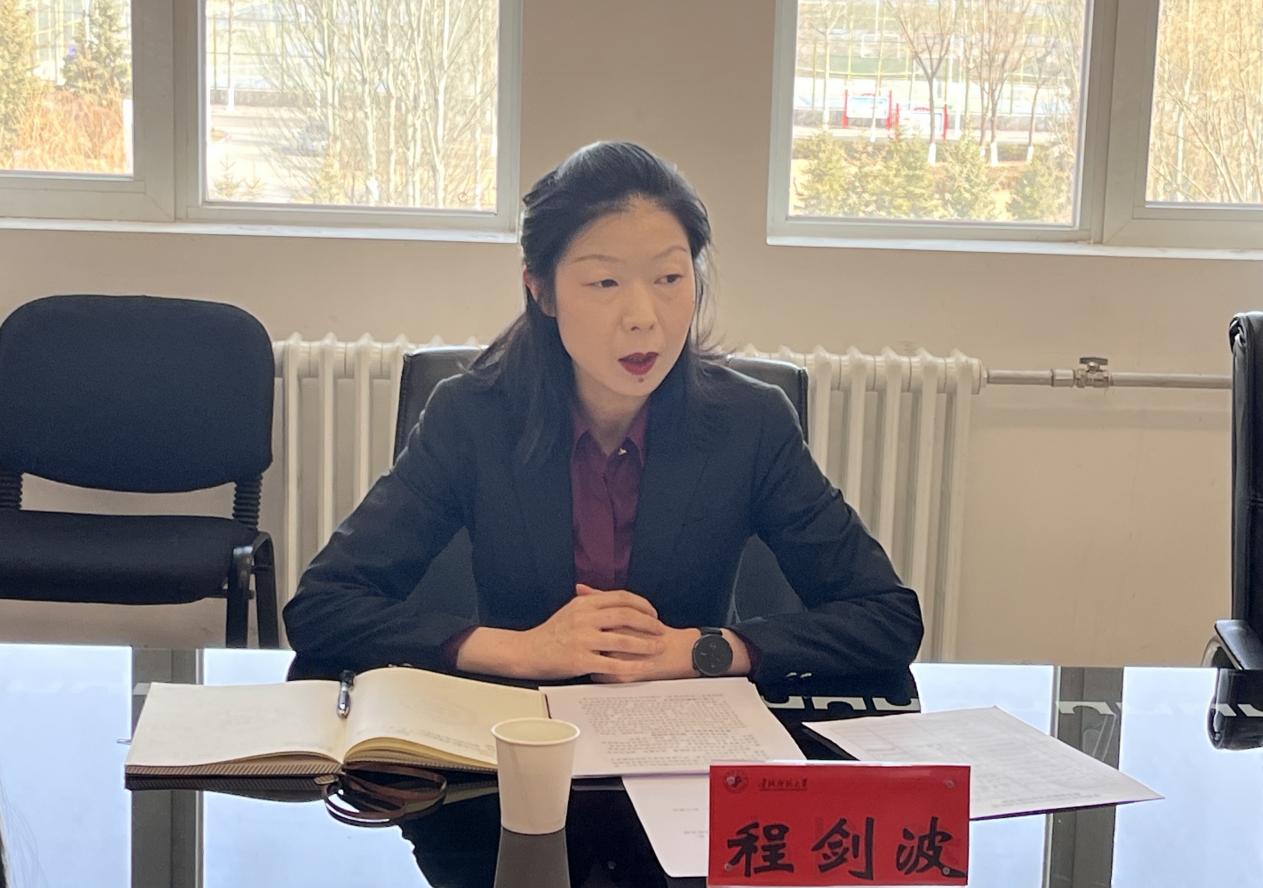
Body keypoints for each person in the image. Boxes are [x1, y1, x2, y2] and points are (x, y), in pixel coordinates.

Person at [283, 141, 923, 685]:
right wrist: (521, 650)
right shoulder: (470, 417)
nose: (643, 317)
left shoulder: (750, 423)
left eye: (669, 279)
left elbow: (887, 617)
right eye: (604, 283)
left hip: (683, 742)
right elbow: (323, 607)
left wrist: (701, 650)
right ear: (541, 290)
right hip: (516, 743)